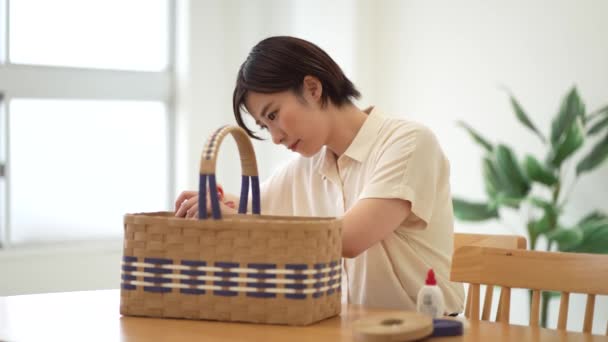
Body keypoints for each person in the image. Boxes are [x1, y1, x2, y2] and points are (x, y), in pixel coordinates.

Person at [175, 36, 465, 314]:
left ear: (313, 88)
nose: (275, 138)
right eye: (265, 126)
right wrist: (216, 201)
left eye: (273, 115)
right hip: (350, 331)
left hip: (428, 332)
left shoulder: (409, 142)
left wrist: (236, 220)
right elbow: (254, 207)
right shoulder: (308, 167)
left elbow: (347, 239)